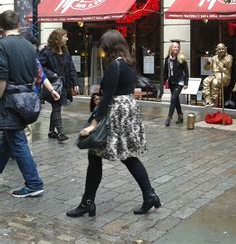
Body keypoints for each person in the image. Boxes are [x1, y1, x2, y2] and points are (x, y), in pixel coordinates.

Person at [66, 30, 160, 217]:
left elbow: (108, 96)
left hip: (116, 112)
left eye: (102, 46)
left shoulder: (114, 66)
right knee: (126, 155)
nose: (101, 50)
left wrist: (94, 123)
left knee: (101, 156)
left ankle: (88, 203)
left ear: (109, 46)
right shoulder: (130, 63)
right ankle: (149, 195)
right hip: (127, 109)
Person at [0, 10, 44, 198]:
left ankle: (34, 183)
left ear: (1, 28)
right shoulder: (29, 46)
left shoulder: (2, 45)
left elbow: (2, 77)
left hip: (10, 99)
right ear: (18, 25)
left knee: (17, 141)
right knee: (8, 141)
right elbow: (35, 73)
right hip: (27, 99)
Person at [22, 32, 61, 151]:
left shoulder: (34, 61)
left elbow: (42, 76)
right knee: (24, 129)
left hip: (30, 98)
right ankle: (24, 155)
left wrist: (52, 90)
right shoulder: (19, 59)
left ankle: (22, 152)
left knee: (25, 128)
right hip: (21, 98)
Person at [38, 29, 79, 142]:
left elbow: (71, 68)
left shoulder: (66, 51)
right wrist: (53, 75)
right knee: (56, 106)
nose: (67, 38)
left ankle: (51, 131)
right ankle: (60, 133)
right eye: (65, 36)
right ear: (58, 38)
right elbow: (39, 67)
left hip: (64, 84)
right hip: (53, 85)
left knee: (57, 106)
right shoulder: (47, 52)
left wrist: (75, 83)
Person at [162, 41, 189, 127]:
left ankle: (169, 118)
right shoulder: (167, 59)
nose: (176, 48)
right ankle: (180, 115)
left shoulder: (182, 58)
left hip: (180, 82)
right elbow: (165, 72)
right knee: (176, 99)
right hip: (171, 82)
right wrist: (163, 82)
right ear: (171, 48)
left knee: (173, 98)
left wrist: (186, 83)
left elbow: (186, 72)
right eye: (174, 47)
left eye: (177, 47)